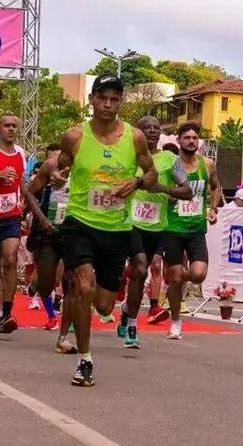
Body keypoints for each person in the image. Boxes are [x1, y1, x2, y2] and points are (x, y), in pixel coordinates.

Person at [55, 74, 158, 386]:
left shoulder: (135, 138)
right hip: (80, 223)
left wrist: (137, 182)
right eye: (102, 98)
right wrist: (58, 176)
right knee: (83, 286)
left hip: (116, 228)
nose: (108, 105)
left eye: (114, 99)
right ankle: (84, 359)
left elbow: (151, 173)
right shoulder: (74, 136)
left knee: (103, 306)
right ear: (92, 100)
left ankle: (101, 309)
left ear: (120, 102)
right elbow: (60, 167)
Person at [118, 116, 192, 348]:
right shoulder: (127, 156)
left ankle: (126, 310)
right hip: (129, 222)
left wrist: (163, 188)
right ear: (137, 132)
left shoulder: (170, 159)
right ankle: (132, 326)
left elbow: (187, 191)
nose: (152, 131)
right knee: (140, 268)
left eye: (156, 128)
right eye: (146, 127)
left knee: (141, 272)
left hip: (157, 226)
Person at [0, 112, 47, 333]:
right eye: (6, 125)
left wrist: (25, 203)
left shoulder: (21, 153)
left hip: (11, 215)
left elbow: (21, 184)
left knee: (9, 260)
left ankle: (5, 313)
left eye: (14, 125)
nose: (11, 129)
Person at [163, 122, 221, 340]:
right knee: (175, 280)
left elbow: (215, 187)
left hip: (196, 229)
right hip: (172, 227)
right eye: (186, 138)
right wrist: (169, 196)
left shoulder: (207, 164)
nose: (191, 141)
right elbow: (159, 189)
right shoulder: (171, 165)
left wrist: (213, 209)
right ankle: (176, 322)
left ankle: (177, 278)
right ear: (178, 140)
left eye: (195, 138)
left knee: (198, 274)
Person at [27, 145, 77, 350]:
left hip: (75, 231)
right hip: (50, 231)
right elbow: (29, 193)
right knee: (48, 285)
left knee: (72, 281)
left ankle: (63, 336)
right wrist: (42, 219)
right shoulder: (50, 166)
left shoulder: (92, 167)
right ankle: (36, 283)